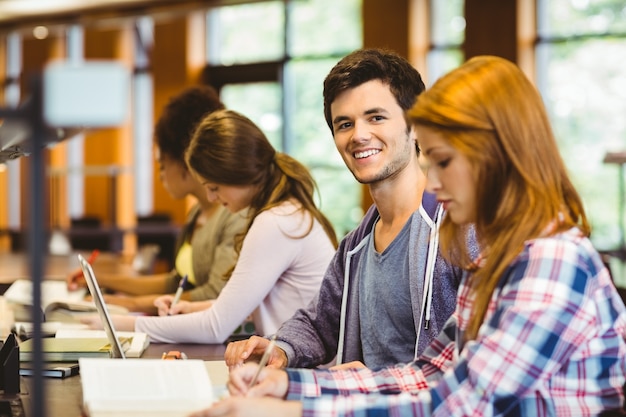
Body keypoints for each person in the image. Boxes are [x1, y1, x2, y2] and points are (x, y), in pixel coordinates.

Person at [192, 55, 626, 416]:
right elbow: (430, 373)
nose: (432, 183)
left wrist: (293, 408)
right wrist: (291, 385)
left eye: (442, 162)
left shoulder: (551, 261)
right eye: (344, 124)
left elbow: (460, 405)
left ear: (495, 154)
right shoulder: (502, 260)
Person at [224, 48, 477, 371]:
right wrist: (281, 349)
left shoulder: (460, 229)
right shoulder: (355, 245)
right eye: (344, 124)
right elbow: (319, 324)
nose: (358, 135)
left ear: (415, 125)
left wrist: (362, 383)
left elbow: (473, 363)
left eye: (376, 117)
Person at [83, 109, 338, 344]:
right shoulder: (285, 213)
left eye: (214, 188)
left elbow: (216, 327)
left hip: (302, 368)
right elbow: (245, 308)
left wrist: (124, 325)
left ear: (238, 173)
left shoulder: (277, 222)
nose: (213, 199)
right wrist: (190, 308)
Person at [66, 85, 248, 314]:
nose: (160, 175)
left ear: (186, 161)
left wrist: (122, 303)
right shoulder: (196, 214)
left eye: (162, 166)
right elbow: (175, 282)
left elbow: (213, 295)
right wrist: (98, 279)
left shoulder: (233, 217)